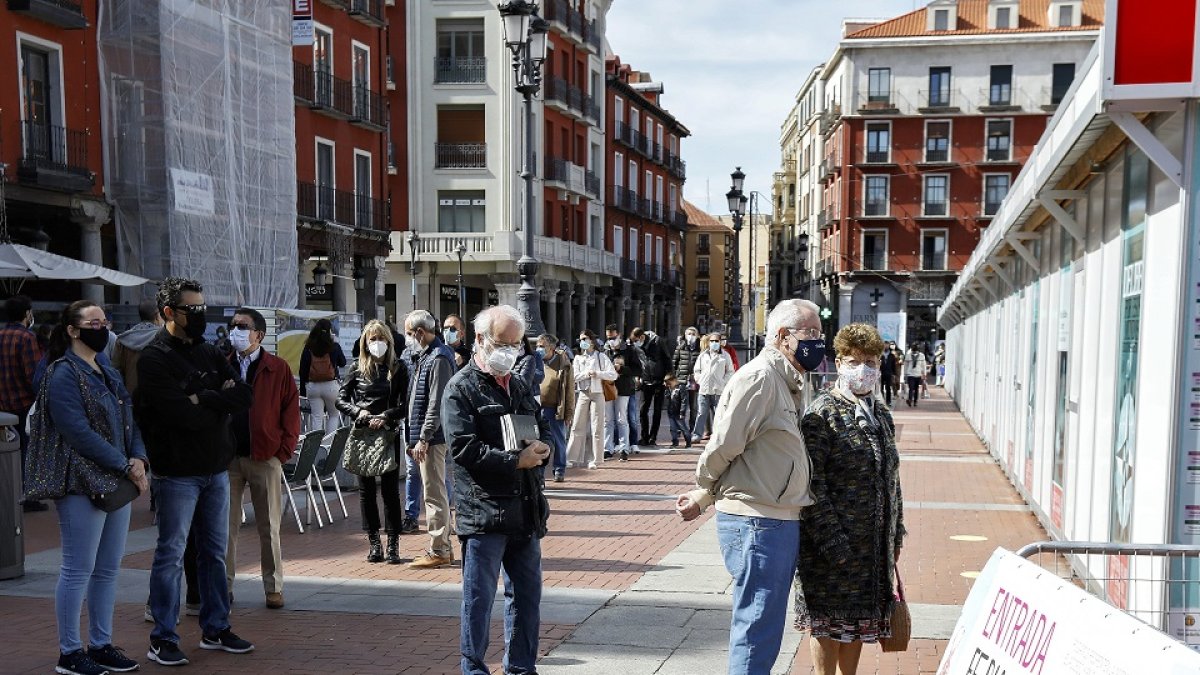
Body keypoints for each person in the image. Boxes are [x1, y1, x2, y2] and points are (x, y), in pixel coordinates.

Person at [675, 299, 826, 675]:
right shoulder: (761, 378)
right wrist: (704, 487)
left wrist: (705, 495)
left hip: (775, 518)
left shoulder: (788, 380)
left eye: (820, 333)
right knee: (757, 627)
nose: (818, 342)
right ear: (782, 336)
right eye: (811, 333)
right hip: (759, 522)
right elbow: (725, 444)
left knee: (765, 626)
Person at [138, 277, 255, 666]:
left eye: (205, 308)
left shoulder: (208, 351)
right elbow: (179, 416)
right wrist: (215, 400)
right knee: (171, 554)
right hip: (176, 473)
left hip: (215, 469)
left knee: (214, 554)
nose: (202, 316)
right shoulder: (153, 358)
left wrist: (203, 395)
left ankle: (216, 627)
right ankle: (163, 637)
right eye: (194, 310)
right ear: (170, 312)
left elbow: (242, 396)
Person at [441, 305, 552, 675]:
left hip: (525, 510)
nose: (510, 351)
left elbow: (541, 427)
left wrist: (544, 449)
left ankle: (521, 668)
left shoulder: (519, 384)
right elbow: (463, 448)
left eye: (517, 344)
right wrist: (514, 461)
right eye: (503, 343)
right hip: (484, 512)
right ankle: (473, 669)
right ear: (481, 340)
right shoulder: (461, 387)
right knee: (479, 599)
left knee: (526, 599)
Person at [42, 300, 149, 675]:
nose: (102, 328)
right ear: (72, 330)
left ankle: (100, 644)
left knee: (107, 569)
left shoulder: (106, 368)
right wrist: (126, 464)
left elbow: (129, 417)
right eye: (93, 322)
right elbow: (77, 432)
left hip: (116, 480)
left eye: (104, 321)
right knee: (77, 569)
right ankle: (69, 652)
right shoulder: (62, 374)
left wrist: (139, 458)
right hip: (81, 483)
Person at [795, 323, 905, 675]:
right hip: (832, 549)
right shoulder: (822, 413)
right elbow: (812, 484)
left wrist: (897, 529)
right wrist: (834, 542)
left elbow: (892, 478)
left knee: (858, 624)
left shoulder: (880, 412)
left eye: (871, 361)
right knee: (827, 624)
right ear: (838, 363)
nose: (864, 369)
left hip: (871, 548)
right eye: (855, 361)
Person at [224, 308, 299, 610]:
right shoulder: (224, 365)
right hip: (228, 459)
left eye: (243, 326)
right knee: (224, 528)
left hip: (265, 457)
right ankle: (223, 586)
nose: (236, 331)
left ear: (259, 334)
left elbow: (291, 414)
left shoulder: (277, 368)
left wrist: (282, 453)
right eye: (233, 326)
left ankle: (273, 587)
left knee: (269, 527)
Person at [337, 320, 409, 564]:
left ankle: (393, 543)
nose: (377, 343)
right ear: (365, 342)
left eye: (381, 339)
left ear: (388, 341)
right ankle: (374, 542)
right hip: (363, 434)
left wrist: (387, 416)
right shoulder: (356, 367)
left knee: (390, 491)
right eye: (372, 339)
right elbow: (341, 399)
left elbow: (406, 404)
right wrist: (359, 413)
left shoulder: (398, 368)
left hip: (388, 432)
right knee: (366, 491)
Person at [403, 310, 457, 570]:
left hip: (433, 438)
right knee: (434, 491)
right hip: (429, 436)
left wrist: (423, 437)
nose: (409, 339)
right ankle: (441, 546)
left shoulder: (438, 358)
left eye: (410, 333)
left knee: (434, 493)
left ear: (420, 333)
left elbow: (436, 403)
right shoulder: (428, 356)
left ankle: (440, 549)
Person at [1, 295, 46, 512]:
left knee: (8, 451)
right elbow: (33, 375)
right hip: (24, 404)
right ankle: (28, 496)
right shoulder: (26, 337)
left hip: (3, 406)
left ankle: (9, 493)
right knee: (28, 452)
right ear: (27, 314)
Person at [565, 330, 616, 469]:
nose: (582, 342)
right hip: (583, 393)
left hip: (598, 393)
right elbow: (574, 376)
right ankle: (571, 457)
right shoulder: (578, 358)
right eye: (581, 339)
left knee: (597, 427)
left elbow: (613, 375)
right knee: (577, 426)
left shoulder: (601, 357)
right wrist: (587, 374)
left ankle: (596, 459)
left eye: (584, 338)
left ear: (591, 340)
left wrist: (598, 373)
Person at [299, 318, 347, 436]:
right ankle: (328, 444)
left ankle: (316, 446)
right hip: (331, 386)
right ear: (330, 331)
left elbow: (302, 371)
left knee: (317, 417)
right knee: (333, 415)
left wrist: (303, 391)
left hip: (313, 387)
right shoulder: (334, 346)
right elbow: (343, 362)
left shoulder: (308, 347)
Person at [537, 334, 574, 482]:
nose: (539, 349)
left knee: (558, 440)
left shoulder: (563, 363)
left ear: (551, 348)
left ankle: (559, 469)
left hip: (554, 408)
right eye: (538, 346)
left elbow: (570, 389)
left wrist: (569, 412)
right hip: (537, 408)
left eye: (542, 346)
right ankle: (538, 471)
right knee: (538, 441)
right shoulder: (535, 361)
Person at [603, 325, 642, 461]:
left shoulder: (629, 350)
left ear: (618, 335)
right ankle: (607, 448)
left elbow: (638, 369)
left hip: (624, 388)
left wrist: (622, 369)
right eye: (608, 338)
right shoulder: (605, 350)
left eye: (613, 337)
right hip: (608, 388)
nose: (611, 340)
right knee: (607, 420)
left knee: (622, 418)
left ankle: (624, 448)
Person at [111, 298, 162, 398]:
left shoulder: (123, 339)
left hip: (131, 396)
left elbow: (115, 370)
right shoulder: (162, 337)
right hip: (157, 397)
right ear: (157, 315)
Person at [690, 333, 733, 444]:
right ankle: (697, 435)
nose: (714, 343)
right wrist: (699, 379)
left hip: (718, 390)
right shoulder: (703, 355)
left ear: (720, 342)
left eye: (716, 341)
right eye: (712, 341)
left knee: (718, 414)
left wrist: (723, 382)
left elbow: (730, 372)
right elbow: (697, 370)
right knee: (701, 413)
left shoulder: (725, 356)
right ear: (709, 342)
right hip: (704, 389)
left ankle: (718, 435)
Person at [635, 328, 671, 446]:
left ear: (642, 337)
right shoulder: (638, 346)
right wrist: (638, 376)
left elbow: (667, 359)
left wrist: (669, 378)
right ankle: (644, 437)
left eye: (638, 339)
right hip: (645, 381)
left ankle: (653, 437)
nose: (637, 342)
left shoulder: (657, 341)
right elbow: (638, 363)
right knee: (643, 410)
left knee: (657, 410)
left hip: (659, 380)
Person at [672, 326, 701, 431]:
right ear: (685, 335)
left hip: (694, 380)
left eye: (693, 334)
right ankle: (680, 428)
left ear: (697, 336)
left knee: (693, 407)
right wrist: (675, 379)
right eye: (689, 334)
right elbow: (674, 363)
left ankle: (692, 428)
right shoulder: (680, 347)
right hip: (682, 380)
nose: (691, 336)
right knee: (680, 405)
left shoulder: (700, 349)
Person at [663, 373, 690, 448]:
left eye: (669, 383)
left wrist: (682, 412)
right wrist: (666, 390)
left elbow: (684, 401)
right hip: (671, 411)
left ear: (674, 380)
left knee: (683, 428)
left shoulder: (681, 388)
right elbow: (667, 398)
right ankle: (675, 442)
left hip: (678, 412)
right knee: (673, 428)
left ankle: (688, 442)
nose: (668, 385)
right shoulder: (669, 389)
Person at [879, 343, 899, 407]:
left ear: (888, 346)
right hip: (881, 373)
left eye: (887, 345)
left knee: (888, 388)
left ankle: (888, 401)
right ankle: (881, 401)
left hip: (889, 373)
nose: (886, 346)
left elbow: (894, 365)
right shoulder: (880, 355)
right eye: (885, 345)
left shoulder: (891, 355)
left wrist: (894, 374)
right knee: (880, 388)